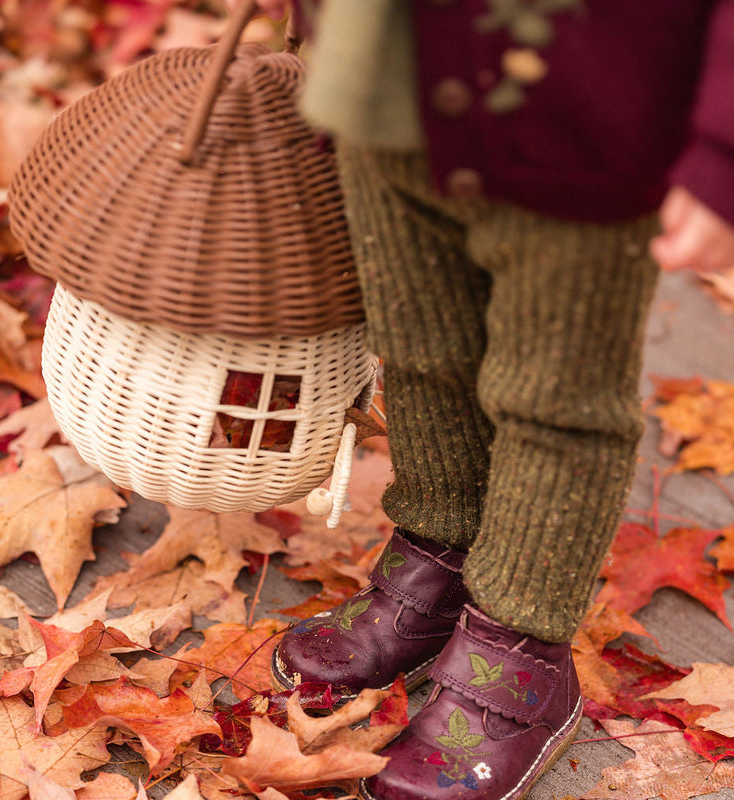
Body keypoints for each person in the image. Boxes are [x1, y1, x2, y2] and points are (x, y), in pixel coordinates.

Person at [229, 2, 734, 798]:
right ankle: (443, 548)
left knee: (555, 400)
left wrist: (722, 148)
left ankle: (520, 634)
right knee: (420, 343)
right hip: (386, 81)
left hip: (589, 110)